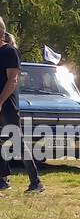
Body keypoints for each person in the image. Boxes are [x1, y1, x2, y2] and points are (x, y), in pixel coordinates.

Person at [0, 18, 43, 193]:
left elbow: (13, 80)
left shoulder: (10, 52)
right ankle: (2, 180)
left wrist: (0, 102)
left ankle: (36, 182)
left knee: (17, 142)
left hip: (7, 105)